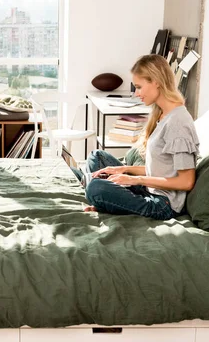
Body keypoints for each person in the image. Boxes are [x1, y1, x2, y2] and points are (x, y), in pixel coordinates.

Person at [78, 54, 199, 220]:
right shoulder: (163, 114)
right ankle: (97, 190)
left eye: (139, 87)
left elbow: (186, 182)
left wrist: (135, 180)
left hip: (163, 204)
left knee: (96, 188)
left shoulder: (178, 122)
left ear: (156, 81)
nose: (136, 94)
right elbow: (161, 169)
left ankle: (94, 190)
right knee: (97, 157)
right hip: (149, 188)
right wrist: (124, 169)